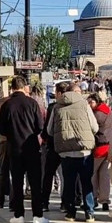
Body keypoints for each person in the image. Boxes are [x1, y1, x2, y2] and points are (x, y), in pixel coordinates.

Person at [0, 76, 45, 223]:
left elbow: (2, 129)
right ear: (24, 86)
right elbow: (39, 126)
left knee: (17, 183)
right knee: (35, 182)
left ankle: (19, 215)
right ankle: (38, 215)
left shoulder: (7, 105)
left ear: (12, 88)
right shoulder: (32, 103)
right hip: (31, 146)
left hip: (14, 147)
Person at [48, 83, 98, 222]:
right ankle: (89, 212)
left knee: (69, 182)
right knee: (86, 181)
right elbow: (94, 126)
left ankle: (70, 212)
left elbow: (49, 130)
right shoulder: (84, 105)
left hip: (65, 152)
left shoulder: (57, 106)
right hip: (84, 150)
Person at [41, 82, 69, 212]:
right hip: (68, 146)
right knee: (65, 176)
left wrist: (45, 138)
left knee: (48, 175)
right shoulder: (75, 105)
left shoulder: (53, 107)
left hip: (53, 145)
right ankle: (65, 202)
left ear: (58, 93)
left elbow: (48, 128)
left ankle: (44, 202)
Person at [88, 92, 112, 212]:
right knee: (104, 176)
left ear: (97, 102)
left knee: (92, 174)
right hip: (108, 146)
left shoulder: (97, 114)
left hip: (98, 147)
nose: (89, 104)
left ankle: (93, 198)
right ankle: (105, 201)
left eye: (91, 102)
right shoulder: (108, 111)